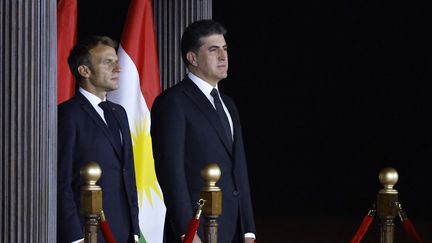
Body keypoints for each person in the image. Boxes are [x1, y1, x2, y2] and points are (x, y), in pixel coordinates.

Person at [151, 19, 256, 243]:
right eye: (213, 49)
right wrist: (186, 231)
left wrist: (248, 230)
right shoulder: (172, 102)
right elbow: (170, 171)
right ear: (192, 58)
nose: (223, 56)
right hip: (197, 229)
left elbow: (239, 169)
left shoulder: (229, 104)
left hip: (235, 229)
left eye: (225, 49)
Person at [57, 35, 139, 243]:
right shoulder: (68, 114)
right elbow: (61, 181)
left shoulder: (118, 112)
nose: (117, 68)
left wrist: (135, 230)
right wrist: (75, 237)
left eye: (116, 62)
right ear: (84, 71)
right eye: (107, 62)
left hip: (123, 231)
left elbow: (127, 173)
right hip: (88, 231)